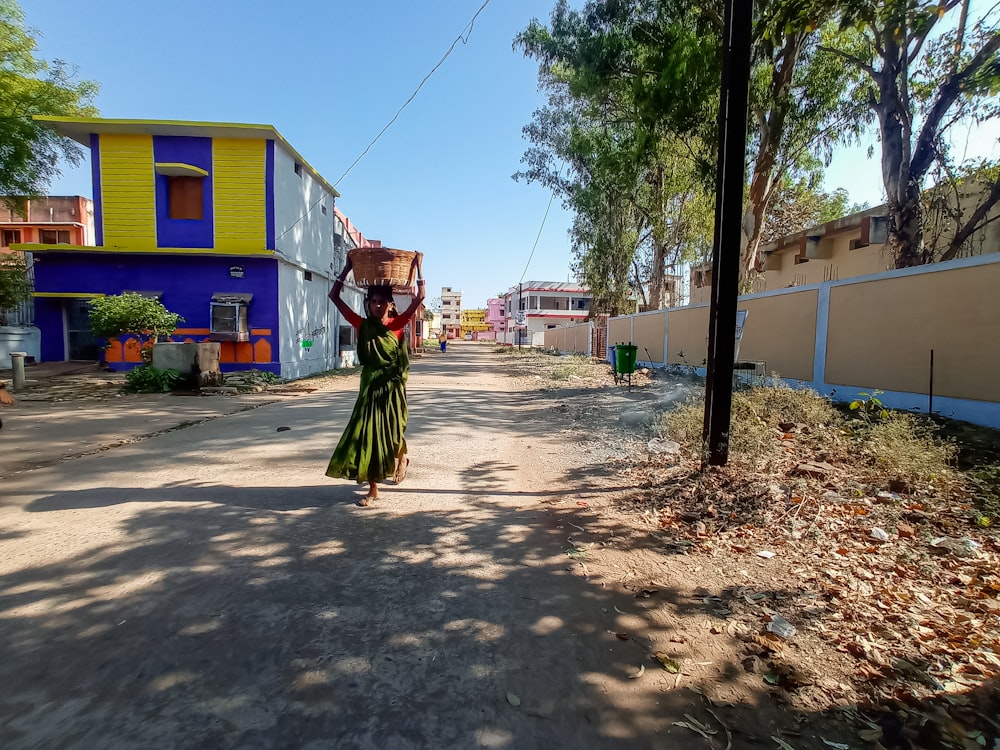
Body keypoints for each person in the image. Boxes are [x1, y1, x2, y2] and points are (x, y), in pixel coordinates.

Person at [326, 254, 426, 506]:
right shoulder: (361, 324)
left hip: (392, 388)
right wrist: (346, 269)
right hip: (370, 388)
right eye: (374, 302)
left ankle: (401, 455)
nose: (378, 306)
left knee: (393, 431)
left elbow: (421, 297)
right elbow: (334, 297)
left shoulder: (398, 324)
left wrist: (418, 267)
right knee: (369, 435)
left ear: (391, 304)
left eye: (383, 302)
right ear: (367, 303)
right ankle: (373, 489)